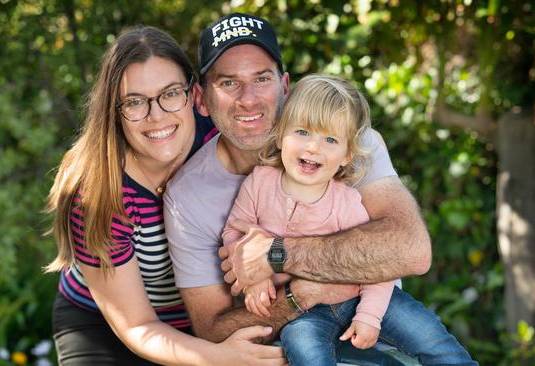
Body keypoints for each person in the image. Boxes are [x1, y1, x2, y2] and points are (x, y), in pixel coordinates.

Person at [163, 12, 431, 362]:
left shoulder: (349, 142)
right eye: (228, 82)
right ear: (201, 97)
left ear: (285, 85)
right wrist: (301, 293)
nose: (248, 99)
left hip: (379, 334)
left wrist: (278, 254)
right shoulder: (188, 194)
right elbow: (213, 330)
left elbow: (411, 249)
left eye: (261, 79)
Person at [45, 25, 287, 365]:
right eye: (134, 102)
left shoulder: (219, 139)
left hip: (201, 322)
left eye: (170, 93)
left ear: (195, 95)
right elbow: (137, 326)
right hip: (105, 326)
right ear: (114, 112)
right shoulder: (100, 192)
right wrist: (220, 356)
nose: (156, 115)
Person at [221, 74, 477, 365]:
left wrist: (369, 316)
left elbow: (380, 265)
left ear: (346, 155)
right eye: (302, 132)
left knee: (429, 335)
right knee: (302, 347)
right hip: (305, 311)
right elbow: (235, 233)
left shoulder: (347, 202)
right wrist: (254, 279)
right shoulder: (259, 183)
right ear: (280, 136)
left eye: (330, 139)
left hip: (361, 297)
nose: (313, 147)